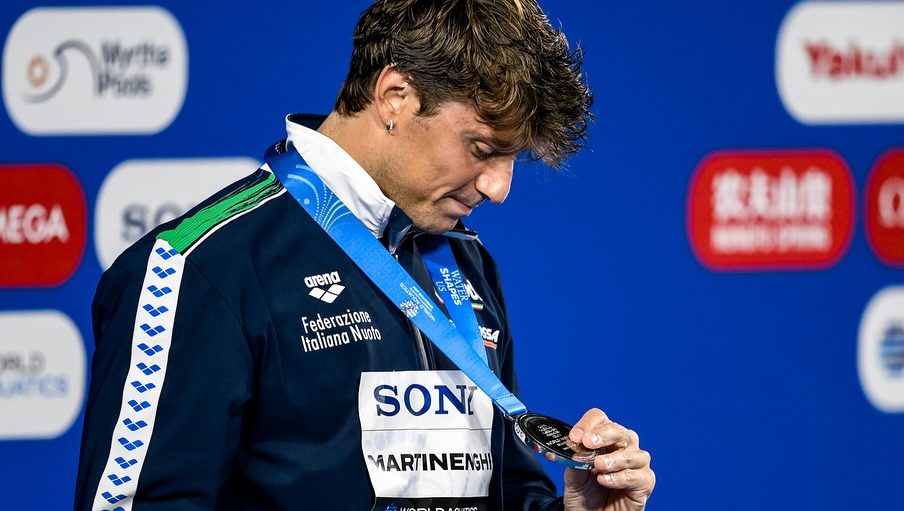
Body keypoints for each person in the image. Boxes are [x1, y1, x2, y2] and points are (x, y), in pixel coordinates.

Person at [74, 0, 655, 509]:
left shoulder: (465, 264)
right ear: (394, 96)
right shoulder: (200, 268)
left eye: (514, 160)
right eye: (482, 148)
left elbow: (504, 489)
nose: (499, 189)